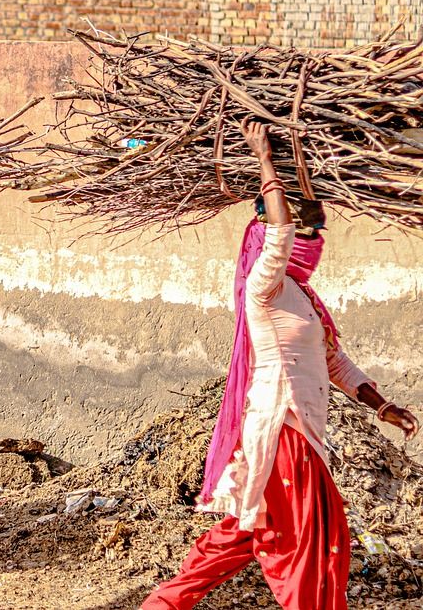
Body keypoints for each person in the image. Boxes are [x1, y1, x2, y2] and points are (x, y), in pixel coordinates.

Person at [143, 121, 419, 610]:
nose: (313, 237)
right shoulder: (264, 287)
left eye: (318, 229)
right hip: (281, 431)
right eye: (306, 228)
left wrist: (384, 406)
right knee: (300, 543)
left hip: (302, 432)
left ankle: (163, 604)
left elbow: (335, 361)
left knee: (248, 534)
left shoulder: (305, 299)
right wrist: (266, 160)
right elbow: (282, 233)